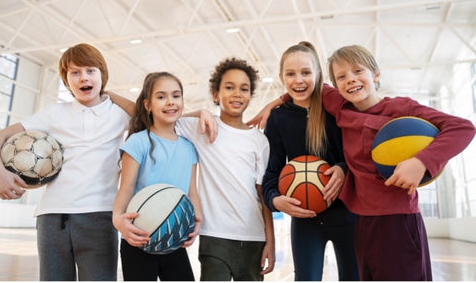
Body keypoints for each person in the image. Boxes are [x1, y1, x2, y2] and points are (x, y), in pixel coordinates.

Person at [248, 44, 476, 281]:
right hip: (363, 221)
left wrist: (422, 161)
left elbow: (463, 127)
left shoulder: (398, 108)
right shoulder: (342, 108)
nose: (351, 80)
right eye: (342, 77)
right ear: (335, 85)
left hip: (394, 218)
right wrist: (274, 103)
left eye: (358, 71)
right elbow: (301, 88)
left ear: (376, 74)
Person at [0, 43, 131, 280]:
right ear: (66, 81)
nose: (83, 78)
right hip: (52, 218)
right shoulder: (54, 114)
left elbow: (154, 117)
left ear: (103, 74)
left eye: (91, 70)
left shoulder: (119, 113)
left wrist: (111, 95)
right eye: (74, 72)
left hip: (99, 217)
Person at [261, 42, 359, 281]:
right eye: (290, 74)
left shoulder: (338, 109)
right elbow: (270, 173)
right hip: (305, 218)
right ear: (281, 77)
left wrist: (343, 168)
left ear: (318, 74)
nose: (299, 80)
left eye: (306, 72)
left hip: (348, 213)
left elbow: (359, 156)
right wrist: (275, 200)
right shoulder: (278, 118)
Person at [175, 58, 275, 281]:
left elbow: (262, 194)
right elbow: (165, 117)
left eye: (244, 89)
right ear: (216, 94)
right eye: (229, 87)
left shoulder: (259, 141)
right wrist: (200, 112)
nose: (237, 94)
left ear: (250, 95)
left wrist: (270, 240)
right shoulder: (203, 128)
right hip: (214, 236)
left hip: (253, 237)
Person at [112, 71, 202, 281]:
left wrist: (197, 218)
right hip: (138, 238)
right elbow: (125, 188)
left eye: (176, 95)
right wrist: (117, 219)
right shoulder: (138, 142)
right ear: (147, 105)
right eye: (161, 97)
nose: (170, 102)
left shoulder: (189, 147)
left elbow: (192, 192)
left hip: (174, 237)